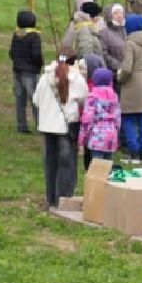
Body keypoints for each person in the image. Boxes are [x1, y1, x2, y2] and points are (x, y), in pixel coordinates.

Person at [32, 50, 86, 206]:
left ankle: (51, 198)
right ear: (73, 61)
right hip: (66, 126)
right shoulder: (76, 79)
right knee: (67, 163)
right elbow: (84, 99)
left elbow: (36, 100)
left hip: (47, 125)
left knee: (51, 163)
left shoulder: (45, 78)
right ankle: (63, 198)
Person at [118, 13, 142, 163]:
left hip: (133, 82)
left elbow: (127, 68)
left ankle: (133, 152)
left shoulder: (130, 43)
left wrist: (119, 78)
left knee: (128, 118)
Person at [79, 67, 121, 170]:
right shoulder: (114, 97)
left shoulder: (92, 97)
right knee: (107, 166)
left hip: (97, 137)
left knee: (97, 167)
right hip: (111, 136)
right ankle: (108, 184)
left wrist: (82, 138)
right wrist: (116, 132)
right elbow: (118, 119)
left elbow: (87, 120)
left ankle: (97, 185)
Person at [10, 9, 43, 134]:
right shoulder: (34, 36)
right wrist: (39, 65)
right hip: (30, 72)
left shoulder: (16, 35)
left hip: (17, 71)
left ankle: (21, 126)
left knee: (20, 100)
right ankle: (40, 125)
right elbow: (36, 54)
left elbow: (11, 53)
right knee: (35, 99)